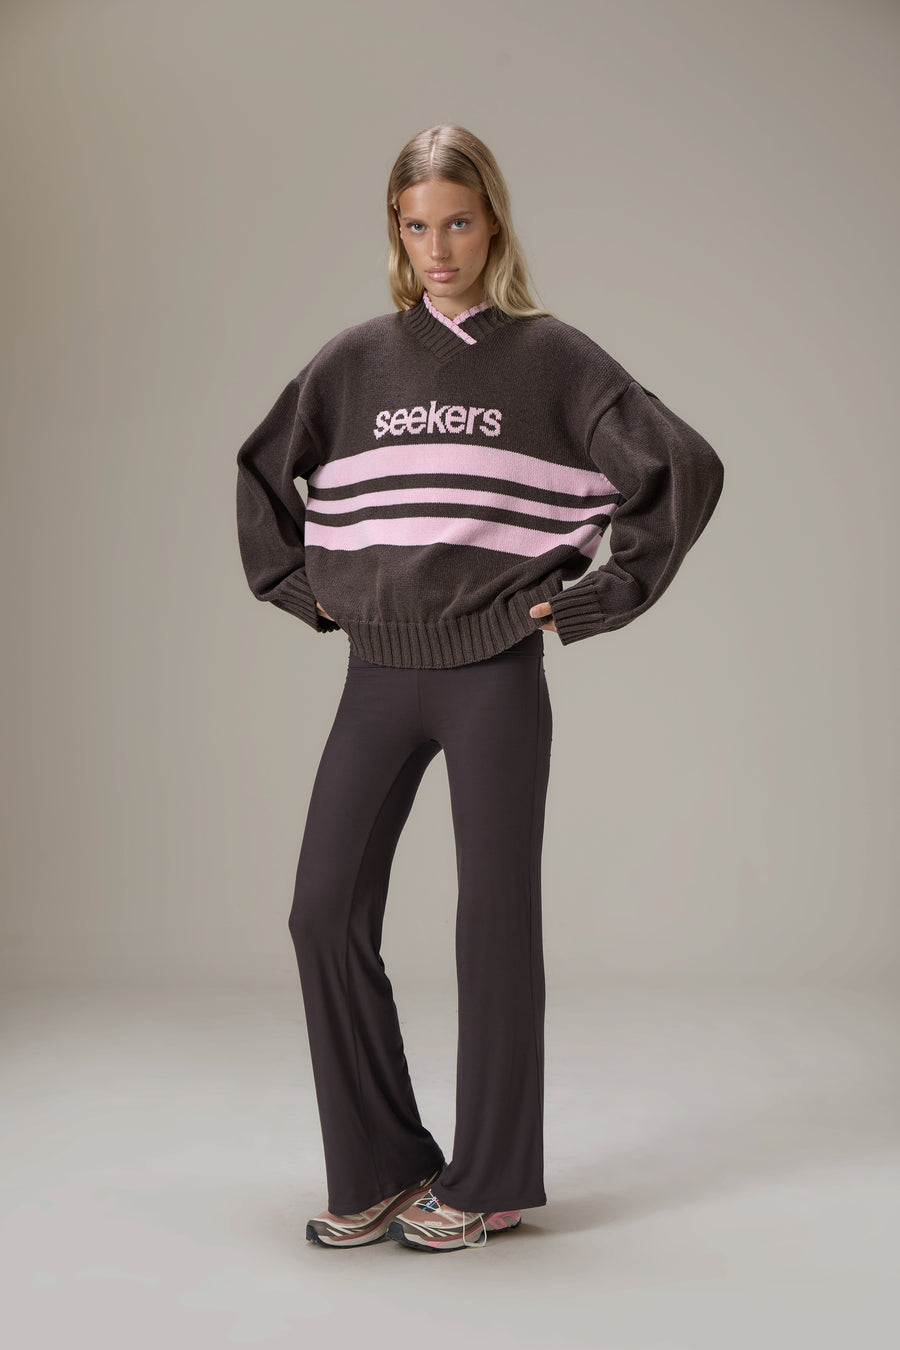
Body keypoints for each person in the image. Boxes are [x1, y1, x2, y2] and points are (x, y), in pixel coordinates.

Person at [235, 123, 725, 1253]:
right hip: (378, 670)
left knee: (493, 924)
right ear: (397, 234)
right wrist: (307, 591)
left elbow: (682, 464)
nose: (439, 247)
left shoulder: (552, 359)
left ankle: (492, 1178)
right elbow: (263, 473)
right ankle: (383, 1163)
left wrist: (600, 598)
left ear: (492, 222)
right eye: (418, 226)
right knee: (322, 913)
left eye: (458, 221)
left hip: (494, 674)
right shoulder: (353, 362)